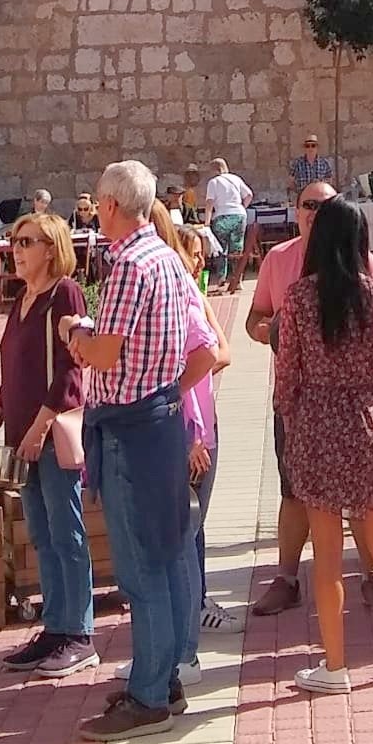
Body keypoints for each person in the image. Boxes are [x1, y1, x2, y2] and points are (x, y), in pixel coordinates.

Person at [64, 161, 207, 741]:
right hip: (163, 418)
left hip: (128, 425)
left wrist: (73, 334)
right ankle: (165, 675)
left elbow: (105, 354)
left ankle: (148, 692)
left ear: (112, 206)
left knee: (142, 565)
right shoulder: (168, 258)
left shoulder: (125, 264)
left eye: (99, 203)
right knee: (169, 552)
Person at [274, 198, 373, 691]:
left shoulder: (298, 298)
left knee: (329, 556)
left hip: (317, 424)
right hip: (367, 420)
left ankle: (334, 665)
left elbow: (287, 372)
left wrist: (291, 414)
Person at [0, 216, 94, 679]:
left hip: (47, 436)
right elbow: (13, 370)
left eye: (27, 242)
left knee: (66, 532)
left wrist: (39, 427)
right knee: (42, 535)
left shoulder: (62, 294)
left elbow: (72, 370)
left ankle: (80, 633)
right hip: (18, 436)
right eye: (14, 241)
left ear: (52, 248)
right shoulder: (22, 299)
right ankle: (56, 625)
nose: (17, 249)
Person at [245, 178, 342, 615]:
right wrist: (272, 332)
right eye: (308, 205)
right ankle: (286, 577)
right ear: (295, 209)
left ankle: (371, 577)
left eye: (325, 206)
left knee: (358, 493)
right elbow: (254, 319)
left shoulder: (357, 261)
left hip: (345, 398)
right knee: (292, 490)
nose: (315, 213)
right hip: (294, 395)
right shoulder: (279, 259)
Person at [158, 203, 230, 684]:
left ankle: (183, 654)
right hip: (191, 429)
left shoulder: (180, 298)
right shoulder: (186, 294)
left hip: (191, 433)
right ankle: (176, 648)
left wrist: (185, 419)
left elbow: (214, 355)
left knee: (180, 542)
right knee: (184, 538)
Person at [202, 155, 253, 290]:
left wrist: (207, 223)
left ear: (215, 170)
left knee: (221, 248)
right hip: (239, 215)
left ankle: (221, 278)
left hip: (222, 216)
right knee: (237, 247)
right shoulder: (236, 179)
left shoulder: (213, 182)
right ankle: (237, 280)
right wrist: (242, 206)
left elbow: (209, 204)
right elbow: (249, 195)